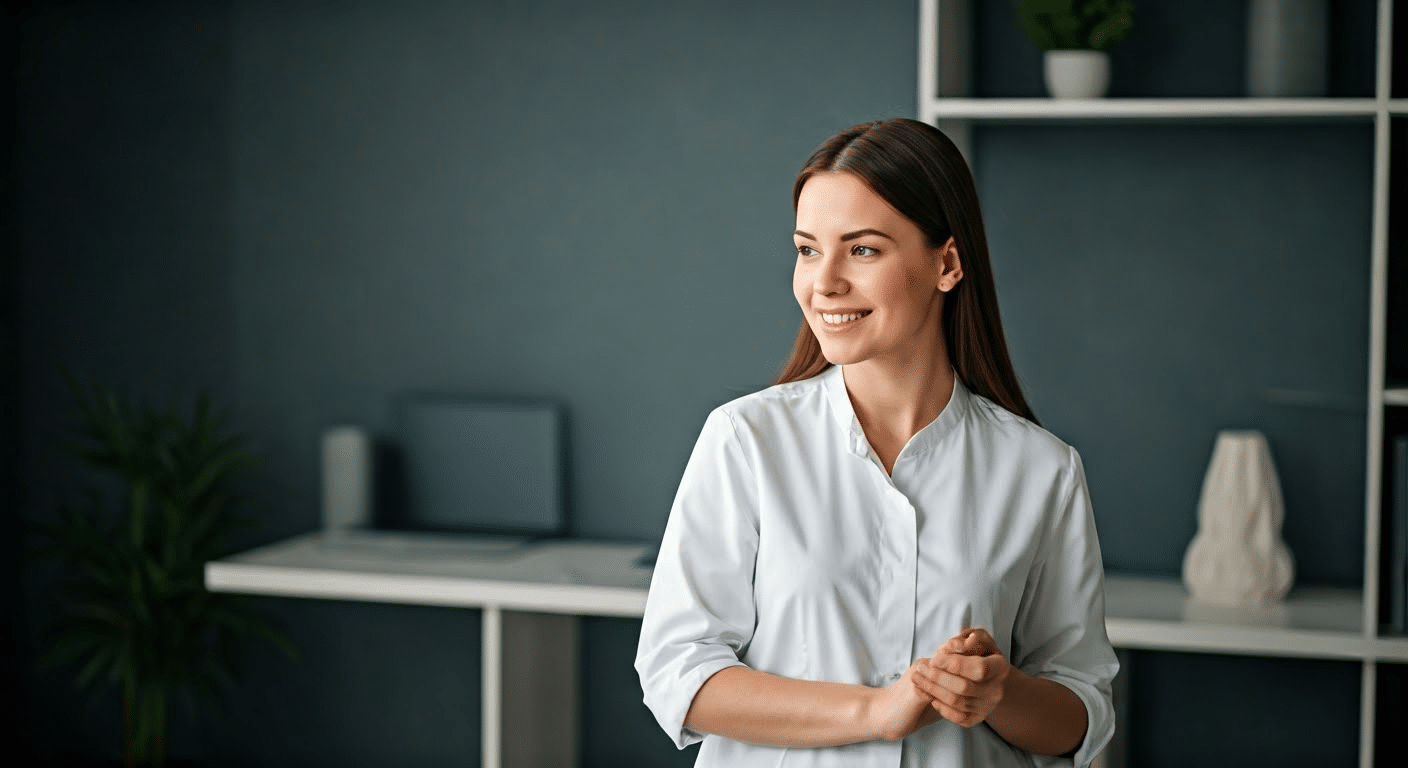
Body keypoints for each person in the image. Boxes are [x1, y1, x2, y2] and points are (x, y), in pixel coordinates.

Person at [634, 118, 1119, 767]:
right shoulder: (747, 440)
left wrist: (1001, 693)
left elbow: (1081, 713)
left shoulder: (1042, 469)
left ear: (946, 263)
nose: (824, 282)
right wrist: (875, 711)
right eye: (808, 250)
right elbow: (677, 672)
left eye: (862, 250)